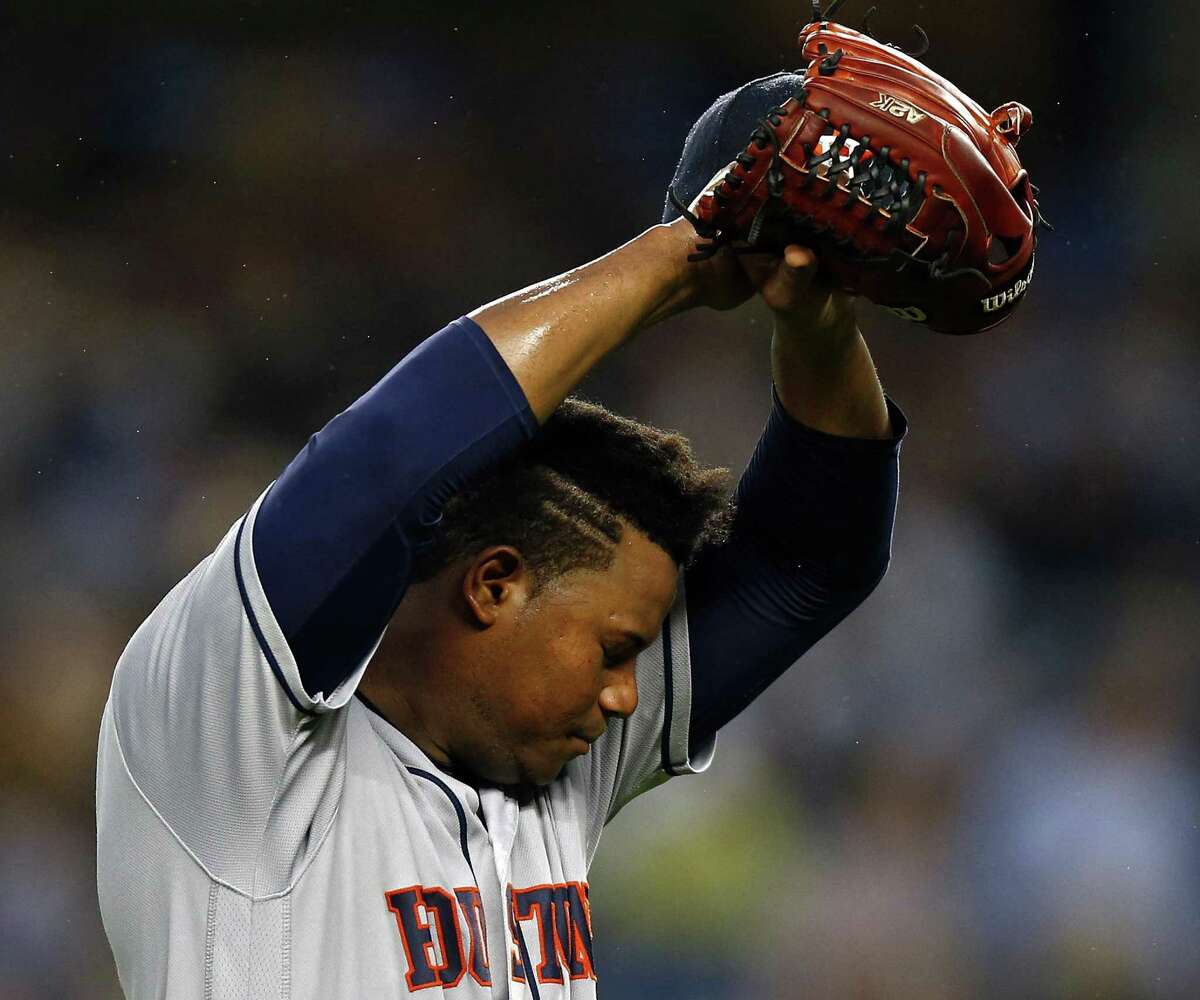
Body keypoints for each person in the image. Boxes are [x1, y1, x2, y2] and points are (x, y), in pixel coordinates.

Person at [96, 72, 905, 999]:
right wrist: (685, 257)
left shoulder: (553, 759)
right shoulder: (230, 729)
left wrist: (818, 323)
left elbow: (814, 559)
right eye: (614, 650)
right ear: (494, 585)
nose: (624, 697)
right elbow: (385, 457)